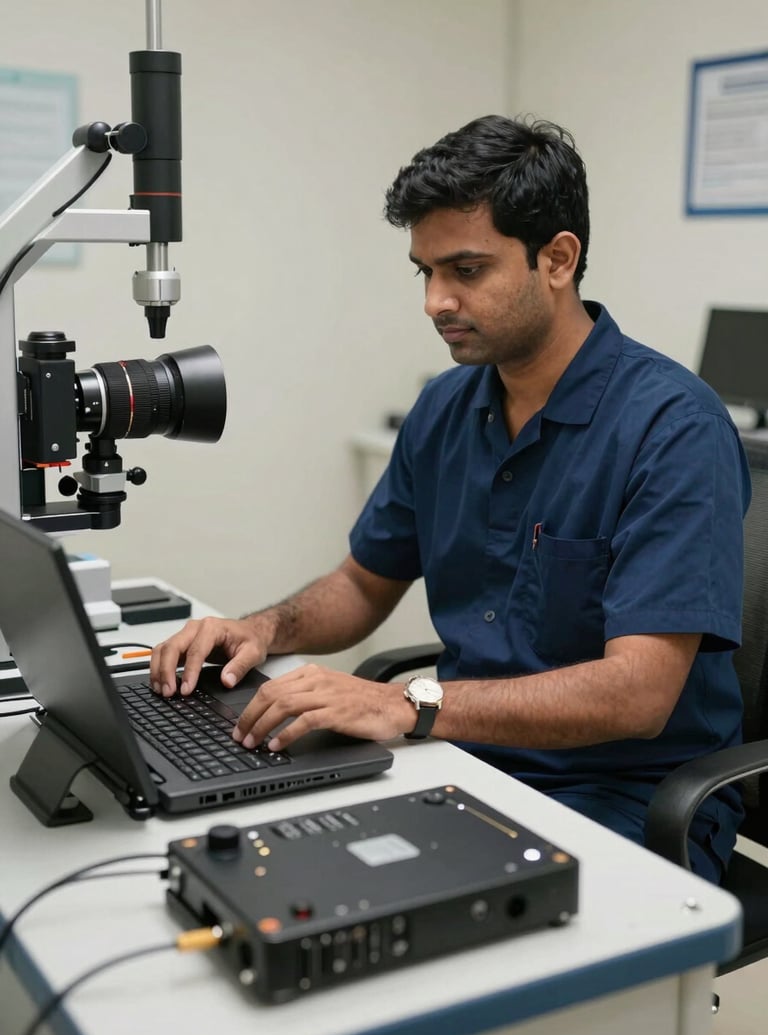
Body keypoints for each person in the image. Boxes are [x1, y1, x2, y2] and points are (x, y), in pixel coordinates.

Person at [150, 115, 750, 883]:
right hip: (461, 761)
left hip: (625, 795)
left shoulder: (672, 426)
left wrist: (411, 705)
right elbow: (362, 583)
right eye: (424, 272)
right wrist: (260, 628)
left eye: (466, 270)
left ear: (558, 259)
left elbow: (637, 693)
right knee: (265, 865)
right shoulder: (445, 407)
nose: (436, 301)